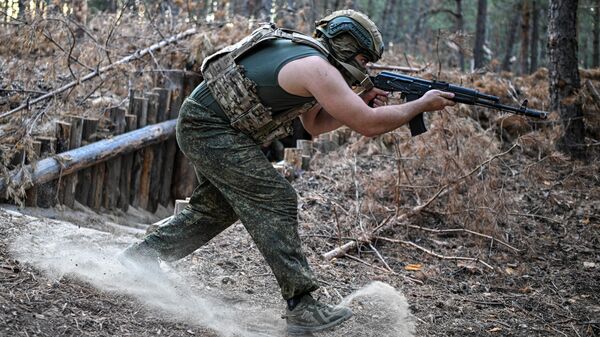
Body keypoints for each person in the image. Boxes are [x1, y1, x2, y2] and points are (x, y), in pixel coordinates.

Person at [120, 9, 455, 334]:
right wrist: (421, 104)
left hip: (211, 126)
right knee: (276, 197)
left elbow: (315, 124)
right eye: (363, 59)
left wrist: (359, 100)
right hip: (208, 128)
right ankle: (302, 305)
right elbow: (368, 125)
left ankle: (142, 259)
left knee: (217, 209)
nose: (364, 67)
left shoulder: (311, 59)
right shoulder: (316, 67)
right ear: (346, 46)